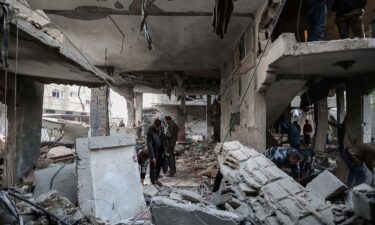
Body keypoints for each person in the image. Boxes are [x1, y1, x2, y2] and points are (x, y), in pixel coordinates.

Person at [147, 118, 165, 186]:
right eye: (156, 127)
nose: (158, 128)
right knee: (152, 166)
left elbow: (163, 139)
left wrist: (165, 150)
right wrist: (152, 156)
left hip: (161, 151)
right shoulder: (150, 130)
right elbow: (149, 144)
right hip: (154, 151)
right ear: (154, 124)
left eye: (159, 127)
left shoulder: (161, 128)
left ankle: (156, 179)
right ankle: (153, 182)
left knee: (158, 166)